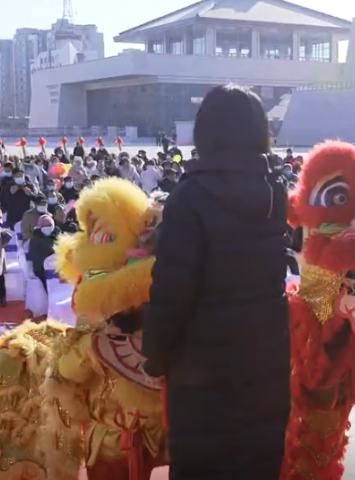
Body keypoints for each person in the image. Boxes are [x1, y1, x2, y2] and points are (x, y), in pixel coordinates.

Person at [142, 85, 290, 480]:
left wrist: (154, 353)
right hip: (264, 357)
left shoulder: (189, 198)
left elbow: (171, 293)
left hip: (202, 367)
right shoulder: (274, 190)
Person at [27, 214, 58, 291]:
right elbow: (36, 257)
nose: (47, 228)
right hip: (41, 269)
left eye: (49, 225)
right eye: (44, 226)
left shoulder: (58, 235)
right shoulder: (35, 239)